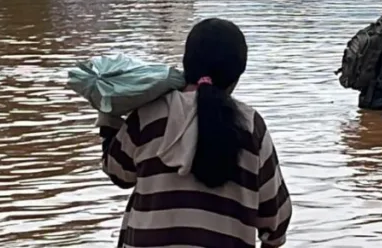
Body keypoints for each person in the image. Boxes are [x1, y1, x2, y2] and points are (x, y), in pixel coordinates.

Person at [101, 18, 292, 247]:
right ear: (236, 76)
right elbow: (276, 222)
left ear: (187, 65)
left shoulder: (148, 116)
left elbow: (119, 174)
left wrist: (108, 123)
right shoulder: (251, 127)